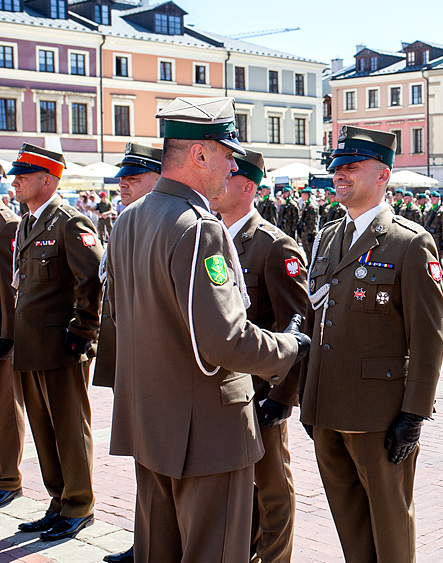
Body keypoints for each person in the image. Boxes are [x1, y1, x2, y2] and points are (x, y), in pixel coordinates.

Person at [104, 96, 311, 563]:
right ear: (199, 154)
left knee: (159, 550)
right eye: (226, 153)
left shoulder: (128, 219)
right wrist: (288, 348)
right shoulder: (199, 229)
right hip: (208, 427)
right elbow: (226, 339)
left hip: (151, 418)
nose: (232, 165)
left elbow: (121, 317)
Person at [300, 126, 443, 562]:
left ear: (383, 175)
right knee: (349, 521)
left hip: (379, 414)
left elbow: (429, 335)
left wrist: (415, 412)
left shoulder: (409, 242)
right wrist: (308, 396)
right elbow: (315, 319)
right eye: (337, 168)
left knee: (390, 521)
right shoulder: (327, 236)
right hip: (327, 407)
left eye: (352, 168)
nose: (339, 176)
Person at [211, 149, 309, 563]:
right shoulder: (208, 236)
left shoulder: (273, 245)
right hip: (219, 388)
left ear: (247, 186)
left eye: (228, 176)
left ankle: (275, 557)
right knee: (234, 487)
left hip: (259, 391)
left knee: (271, 488)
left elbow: (298, 325)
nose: (217, 182)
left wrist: (282, 398)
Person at [10, 144, 104, 541]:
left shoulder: (70, 222)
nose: (15, 182)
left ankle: (79, 505)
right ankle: (58, 501)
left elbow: (92, 281)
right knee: (44, 430)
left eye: (24, 176)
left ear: (47, 180)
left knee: (68, 428)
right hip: (31, 344)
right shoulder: (27, 223)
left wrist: (82, 333)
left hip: (62, 347)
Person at [93, 143, 164, 563]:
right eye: (123, 176)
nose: (123, 183)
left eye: (133, 177)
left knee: (158, 457)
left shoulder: (173, 226)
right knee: (143, 458)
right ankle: (147, 541)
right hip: (130, 360)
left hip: (159, 365)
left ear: (158, 178)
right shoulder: (127, 223)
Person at [0, 164, 23, 512]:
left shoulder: (6, 222)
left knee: (5, 407)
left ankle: (7, 479)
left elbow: (9, 283)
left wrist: (7, 334)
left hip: (1, 333)